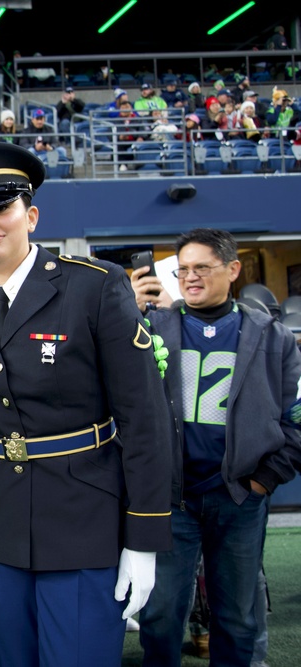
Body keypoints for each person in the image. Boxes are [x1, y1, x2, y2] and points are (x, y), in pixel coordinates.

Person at [0, 142, 172, 667]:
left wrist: (145, 537)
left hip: (84, 516)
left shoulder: (95, 288)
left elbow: (145, 420)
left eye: (0, 208)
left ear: (31, 215)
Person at [133, 229, 301, 667]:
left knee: (240, 616)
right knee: (161, 613)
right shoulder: (151, 328)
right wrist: (125, 312)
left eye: (201, 268)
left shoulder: (273, 338)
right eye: (183, 268)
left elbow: (296, 419)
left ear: (232, 270)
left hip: (239, 497)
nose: (190, 277)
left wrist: (264, 479)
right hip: (174, 499)